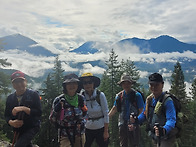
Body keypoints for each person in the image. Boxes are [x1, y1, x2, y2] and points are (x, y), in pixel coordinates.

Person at [130, 73, 178, 147]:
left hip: (166, 137)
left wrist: (164, 129)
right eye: (151, 85)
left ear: (162, 85)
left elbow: (171, 119)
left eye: (156, 85)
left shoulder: (167, 101)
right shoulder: (149, 99)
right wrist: (136, 120)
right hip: (154, 135)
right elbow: (144, 114)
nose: (153, 87)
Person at [4, 71, 42, 147]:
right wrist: (11, 122)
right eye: (16, 82)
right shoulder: (10, 98)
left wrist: (23, 108)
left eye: (21, 81)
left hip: (32, 126)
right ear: (13, 85)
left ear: (25, 81)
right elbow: (7, 115)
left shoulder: (33, 95)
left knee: (19, 145)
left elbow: (38, 112)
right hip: (18, 128)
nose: (19, 84)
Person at [50, 73, 87, 147]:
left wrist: (83, 123)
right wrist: (56, 111)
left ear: (77, 85)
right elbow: (52, 119)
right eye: (69, 84)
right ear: (65, 86)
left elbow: (85, 113)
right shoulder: (59, 100)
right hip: (64, 134)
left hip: (79, 133)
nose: (72, 86)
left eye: (74, 83)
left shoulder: (80, 99)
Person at [109, 73, 144, 147]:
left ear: (131, 84)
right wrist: (106, 118)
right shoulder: (119, 96)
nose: (126, 85)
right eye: (124, 83)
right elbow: (114, 108)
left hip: (134, 123)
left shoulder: (137, 95)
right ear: (121, 85)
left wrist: (137, 122)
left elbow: (141, 110)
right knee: (123, 144)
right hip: (122, 123)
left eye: (128, 83)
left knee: (134, 144)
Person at [79, 72, 109, 147]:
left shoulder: (100, 95)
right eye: (85, 83)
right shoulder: (81, 96)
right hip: (87, 129)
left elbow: (106, 113)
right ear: (82, 85)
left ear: (93, 83)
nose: (87, 85)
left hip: (101, 128)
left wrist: (106, 131)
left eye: (89, 82)